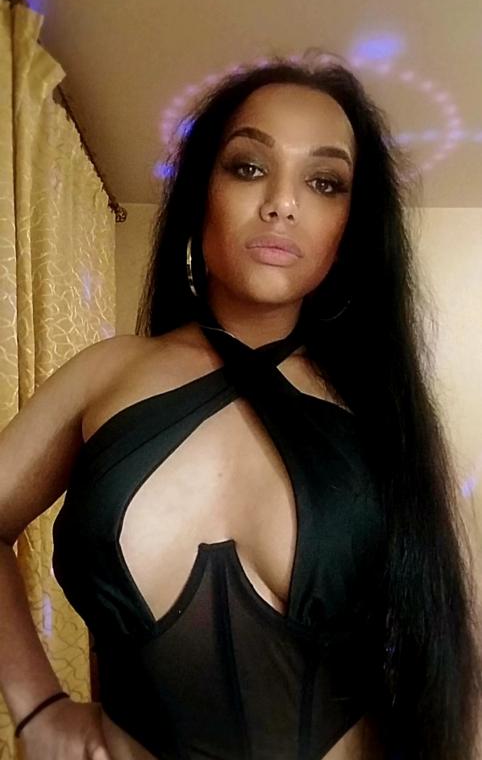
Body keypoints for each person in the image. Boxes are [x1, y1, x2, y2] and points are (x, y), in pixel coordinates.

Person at [0, 49, 481, 760]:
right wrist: (37, 708)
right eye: (249, 167)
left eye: (324, 182)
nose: (282, 203)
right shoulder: (105, 374)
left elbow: (436, 654)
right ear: (202, 192)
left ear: (351, 225)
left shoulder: (383, 413)